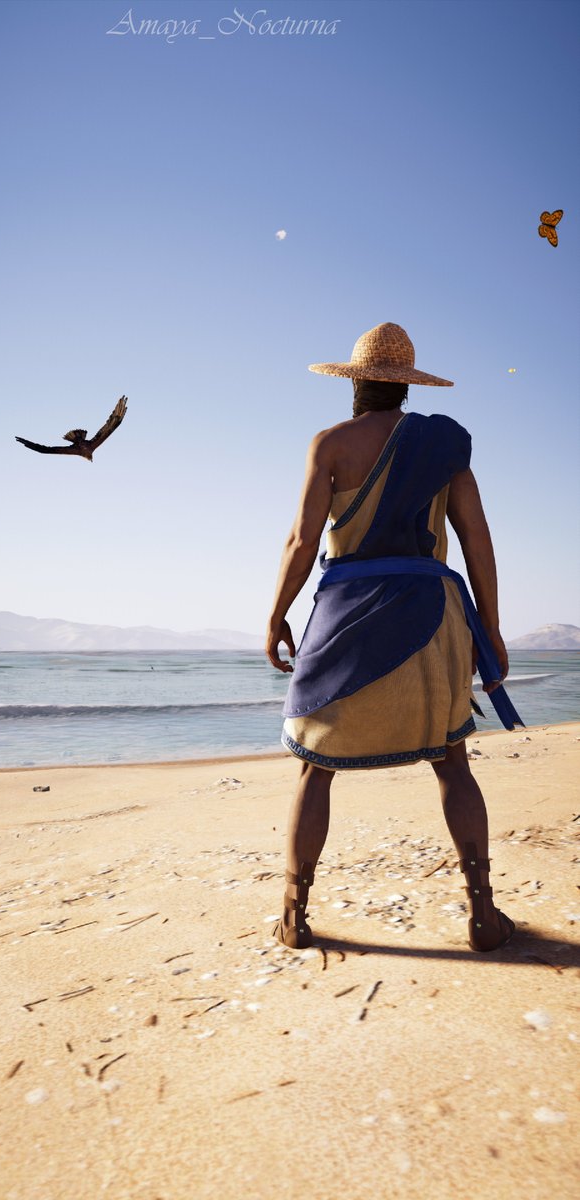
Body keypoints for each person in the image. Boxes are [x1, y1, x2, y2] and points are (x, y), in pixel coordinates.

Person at [265, 322, 523, 954]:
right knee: (452, 763)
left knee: (314, 772)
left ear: (355, 383)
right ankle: (484, 916)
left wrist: (276, 615)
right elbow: (477, 541)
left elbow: (302, 541)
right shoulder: (442, 445)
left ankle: (295, 916)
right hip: (430, 618)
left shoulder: (330, 442)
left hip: (349, 614)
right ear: (406, 386)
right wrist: (489, 627)